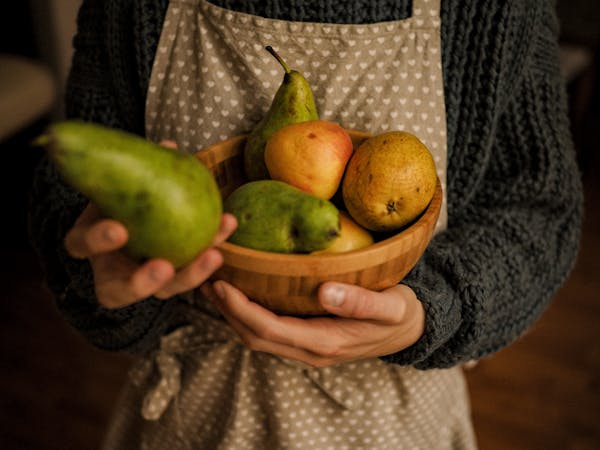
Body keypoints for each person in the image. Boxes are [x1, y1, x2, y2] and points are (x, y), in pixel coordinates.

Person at [29, 0, 583, 448]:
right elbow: (74, 180)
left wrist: (430, 309)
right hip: (196, 410)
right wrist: (103, 275)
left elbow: (539, 206)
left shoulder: (494, 11)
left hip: (393, 419)